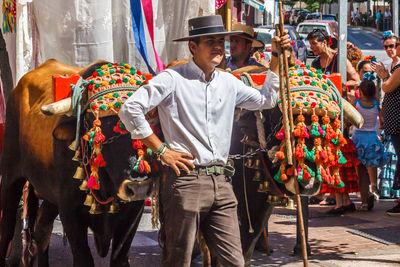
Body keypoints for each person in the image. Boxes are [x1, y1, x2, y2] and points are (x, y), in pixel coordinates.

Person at [118, 15, 291, 265]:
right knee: (179, 260)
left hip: (222, 183)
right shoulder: (173, 79)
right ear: (193, 46)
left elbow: (266, 100)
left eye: (221, 41)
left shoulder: (228, 82)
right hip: (186, 181)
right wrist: (161, 150)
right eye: (210, 41)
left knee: (234, 261)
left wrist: (276, 56)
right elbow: (130, 109)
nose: (218, 46)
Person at [352, 80, 387, 211]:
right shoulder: (376, 105)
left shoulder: (357, 104)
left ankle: (364, 201)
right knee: (371, 167)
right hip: (372, 138)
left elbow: (352, 117)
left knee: (361, 172)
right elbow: (381, 120)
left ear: (360, 92)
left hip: (358, 139)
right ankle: (374, 186)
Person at [380, 39, 400, 215]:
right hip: (394, 120)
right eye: (385, 46)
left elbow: (387, 87)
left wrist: (383, 75)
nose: (390, 49)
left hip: (397, 121)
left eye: (394, 46)